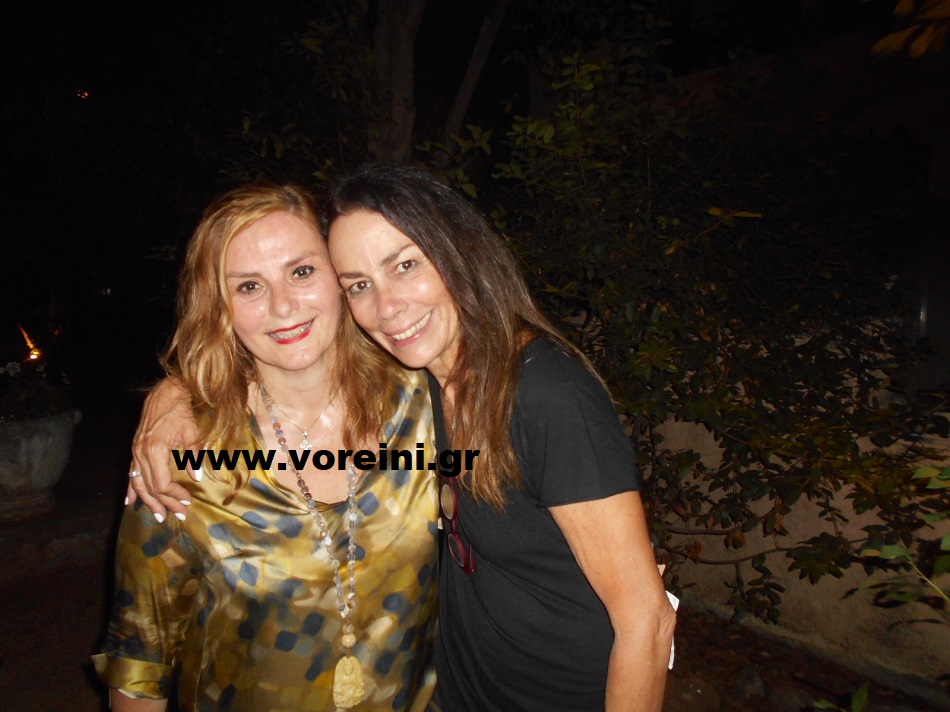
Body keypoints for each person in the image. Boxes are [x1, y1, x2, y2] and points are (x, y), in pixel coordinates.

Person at [129, 165, 676, 711]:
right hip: (459, 696)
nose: (387, 307)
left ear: (456, 252)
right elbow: (140, 653)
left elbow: (646, 619)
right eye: (360, 284)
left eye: (405, 265)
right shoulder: (422, 385)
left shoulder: (541, 393)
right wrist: (173, 395)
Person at [95, 184, 439, 711]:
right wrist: (175, 393)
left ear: (340, 278)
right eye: (249, 286)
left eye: (301, 272)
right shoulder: (184, 456)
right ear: (218, 307)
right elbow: (141, 660)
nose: (283, 305)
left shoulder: (424, 404)